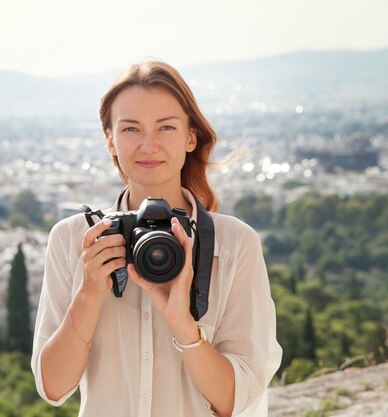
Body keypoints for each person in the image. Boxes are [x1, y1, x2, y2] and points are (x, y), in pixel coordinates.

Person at [31, 61, 282, 417]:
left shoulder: (234, 244)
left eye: (166, 127)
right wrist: (88, 293)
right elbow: (53, 387)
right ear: (111, 141)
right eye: (131, 128)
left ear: (190, 137)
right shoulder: (75, 240)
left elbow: (236, 400)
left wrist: (182, 323)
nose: (148, 145)